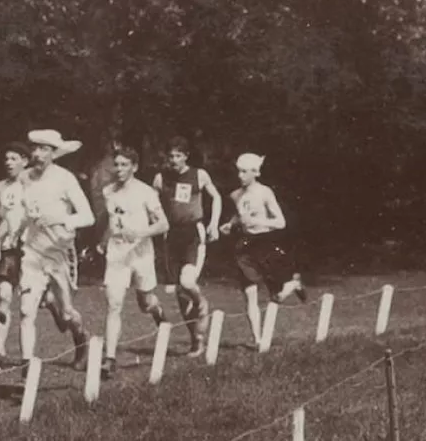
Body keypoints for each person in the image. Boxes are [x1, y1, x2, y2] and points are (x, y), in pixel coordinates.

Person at [7, 129, 94, 369]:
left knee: (66, 315)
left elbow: (88, 217)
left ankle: (81, 338)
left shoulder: (65, 179)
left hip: (60, 252)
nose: (37, 153)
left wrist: (58, 219)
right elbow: (23, 212)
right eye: (35, 148)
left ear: (54, 153)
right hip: (33, 253)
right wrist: (14, 232)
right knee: (25, 310)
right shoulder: (24, 178)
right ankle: (26, 367)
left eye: (43, 149)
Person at [220, 152, 307, 349]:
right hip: (245, 247)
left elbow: (280, 222)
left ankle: (293, 284)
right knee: (249, 293)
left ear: (255, 172)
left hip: (265, 244)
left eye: (244, 172)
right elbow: (239, 215)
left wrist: (257, 221)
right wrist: (229, 225)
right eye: (238, 171)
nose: (240, 175)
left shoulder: (265, 192)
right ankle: (257, 340)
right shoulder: (235, 195)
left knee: (276, 297)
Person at [97, 147, 170, 380]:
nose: (119, 169)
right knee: (114, 304)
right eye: (116, 164)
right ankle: (110, 359)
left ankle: (159, 314)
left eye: (124, 165)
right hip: (117, 253)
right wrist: (104, 241)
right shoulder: (108, 191)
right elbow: (113, 221)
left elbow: (163, 225)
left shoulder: (146, 192)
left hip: (141, 252)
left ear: (134, 167)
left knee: (145, 302)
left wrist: (139, 233)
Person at [151, 137, 222, 357]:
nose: (173, 160)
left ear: (186, 156)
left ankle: (201, 302)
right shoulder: (161, 178)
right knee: (181, 296)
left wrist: (214, 224)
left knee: (187, 282)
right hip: (171, 236)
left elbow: (216, 197)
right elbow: (151, 205)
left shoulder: (198, 174)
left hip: (193, 232)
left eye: (178, 156)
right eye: (170, 156)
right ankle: (197, 341)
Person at [0, 142, 30, 360]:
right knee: (4, 295)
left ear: (25, 161)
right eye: (7, 159)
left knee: (42, 302)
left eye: (14, 158)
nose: (9, 163)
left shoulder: (32, 185)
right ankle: (0, 350)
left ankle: (76, 331)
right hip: (7, 249)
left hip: (31, 248)